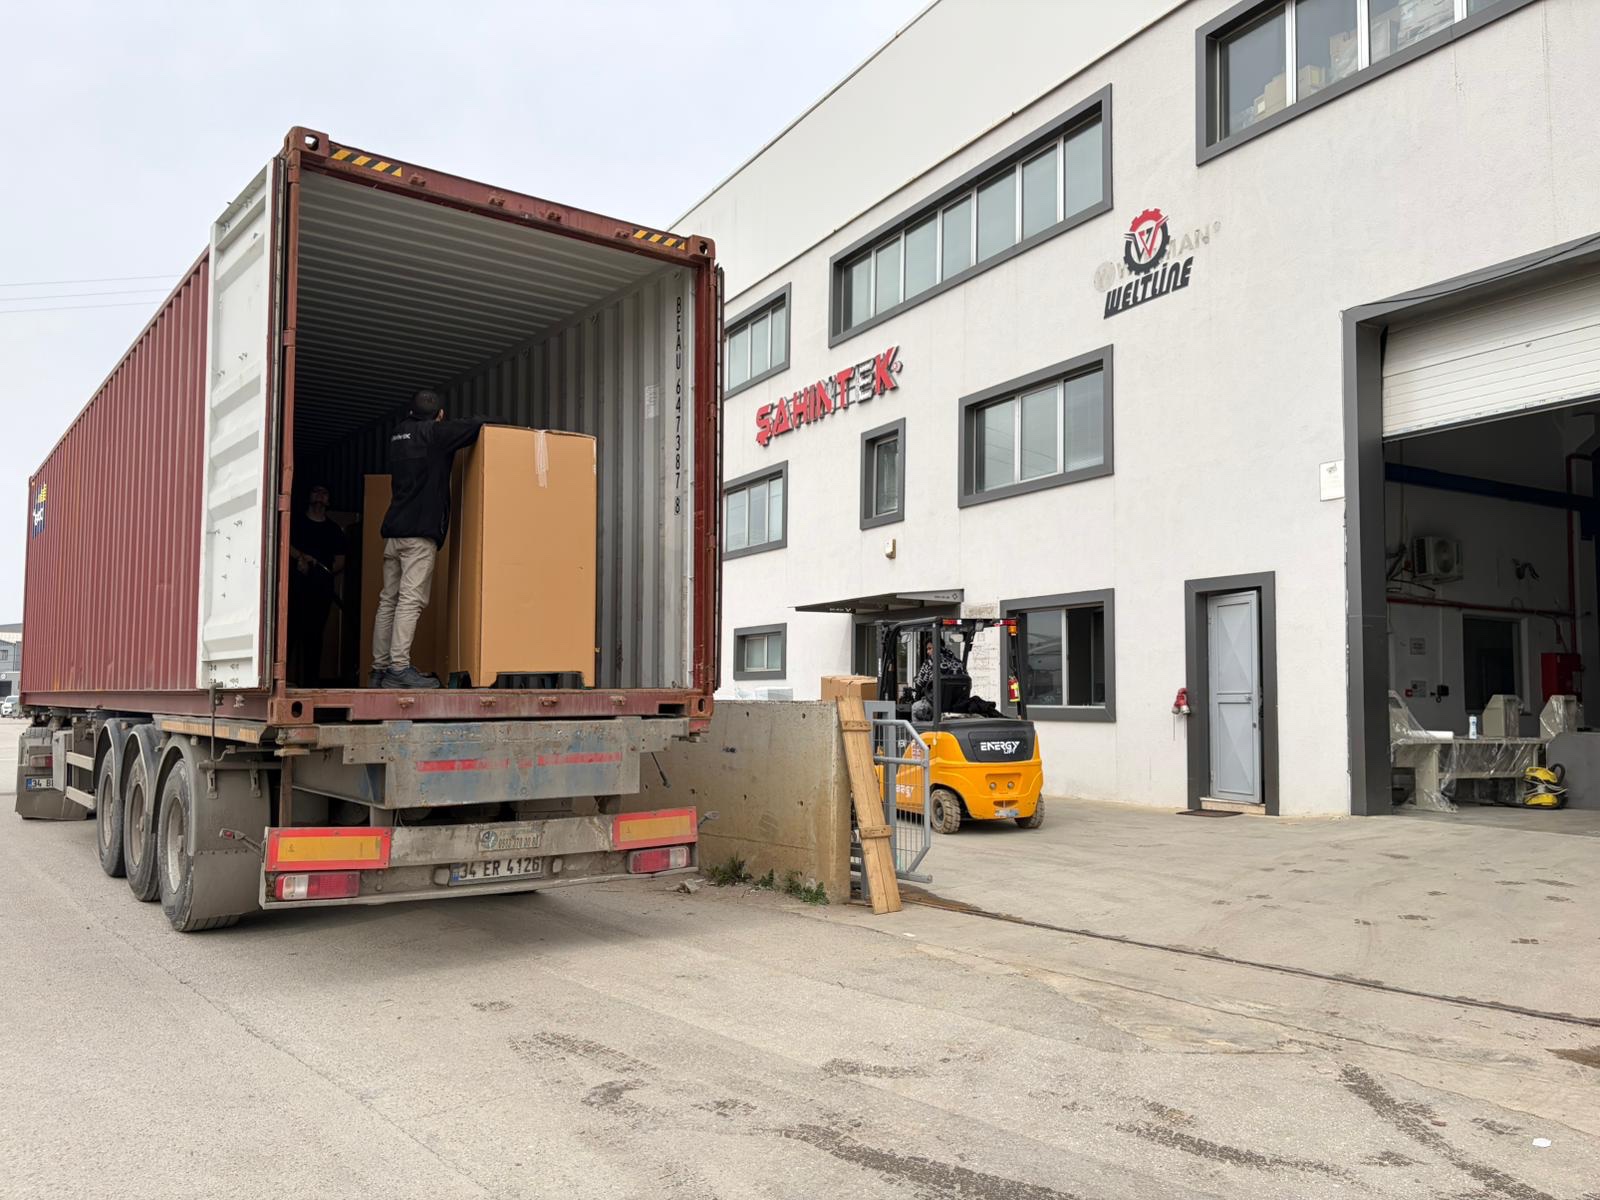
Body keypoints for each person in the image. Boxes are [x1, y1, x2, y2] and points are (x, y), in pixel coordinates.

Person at [370, 390, 485, 688]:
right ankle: (398, 669)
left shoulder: (398, 434)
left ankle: (379, 670)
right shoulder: (434, 433)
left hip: (394, 533)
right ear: (440, 415)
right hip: (418, 535)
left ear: (411, 412)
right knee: (410, 601)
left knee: (388, 600)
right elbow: (473, 426)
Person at [288, 483, 346, 685]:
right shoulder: (295, 523)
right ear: (308, 496)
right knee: (290, 632)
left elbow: (341, 560)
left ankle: (310, 684)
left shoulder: (334, 529)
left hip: (321, 590)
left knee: (314, 635)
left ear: (329, 500)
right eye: (316, 491)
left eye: (324, 492)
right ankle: (283, 680)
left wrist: (323, 572)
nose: (320, 495)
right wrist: (301, 557)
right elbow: (283, 543)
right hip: (295, 587)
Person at [912, 636, 965, 721]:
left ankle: (917, 730)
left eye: (930, 648)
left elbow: (919, 684)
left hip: (936, 705)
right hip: (957, 704)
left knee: (915, 707)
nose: (928, 652)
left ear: (938, 647)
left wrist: (916, 698)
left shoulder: (930, 662)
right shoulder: (959, 663)